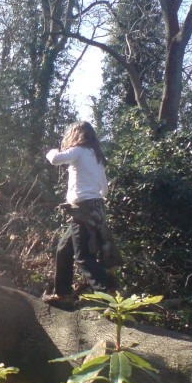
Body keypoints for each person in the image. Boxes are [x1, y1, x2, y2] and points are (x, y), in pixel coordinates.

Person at [42, 121, 120, 309]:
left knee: (83, 257)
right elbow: (105, 191)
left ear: (77, 135)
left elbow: (55, 160)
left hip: (83, 208)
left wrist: (50, 150)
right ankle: (64, 295)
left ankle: (109, 296)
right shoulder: (97, 156)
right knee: (63, 249)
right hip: (96, 208)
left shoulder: (79, 150)